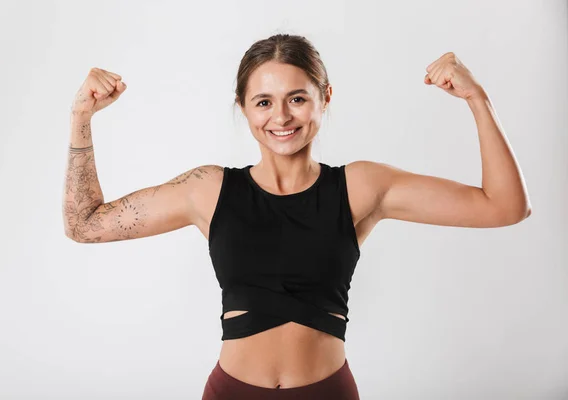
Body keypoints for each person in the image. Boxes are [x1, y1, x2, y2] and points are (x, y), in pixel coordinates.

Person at [62, 34, 532, 399]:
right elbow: (84, 224)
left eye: (297, 98)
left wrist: (477, 99)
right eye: (263, 101)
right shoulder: (207, 189)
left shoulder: (361, 186)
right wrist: (81, 116)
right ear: (243, 108)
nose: (281, 117)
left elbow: (505, 206)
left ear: (325, 98)